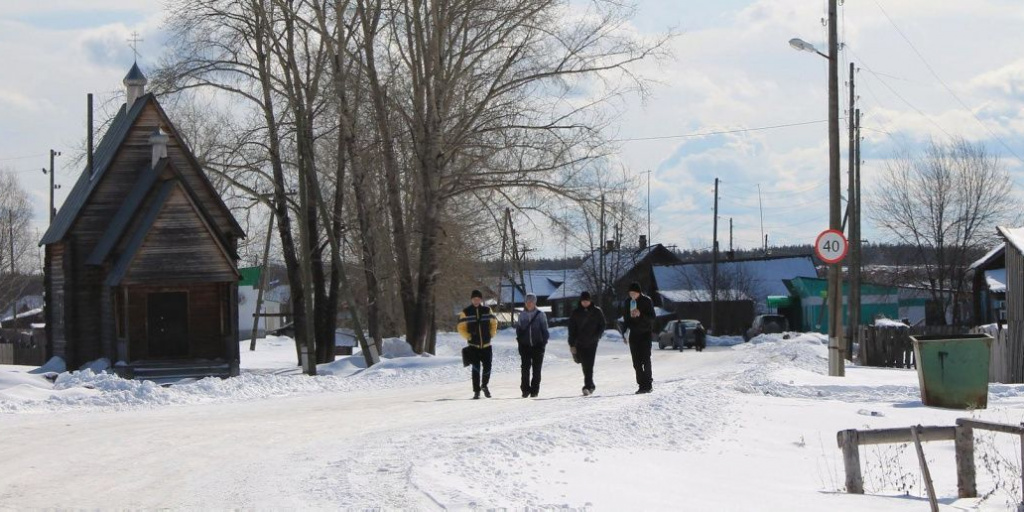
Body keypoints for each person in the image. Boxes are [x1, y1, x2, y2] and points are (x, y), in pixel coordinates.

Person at [457, 289, 498, 399]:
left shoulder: (487, 310)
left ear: (480, 299)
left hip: (486, 345)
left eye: (478, 299)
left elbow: (494, 323)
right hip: (473, 346)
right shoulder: (466, 312)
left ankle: (484, 385)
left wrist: (491, 334)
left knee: (488, 367)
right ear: (471, 299)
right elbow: (461, 328)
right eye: (474, 299)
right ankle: (476, 391)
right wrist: (468, 336)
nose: (476, 300)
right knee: (476, 369)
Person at [567, 291, 605, 396]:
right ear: (581, 301)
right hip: (580, 342)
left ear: (590, 300)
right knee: (583, 363)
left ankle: (588, 386)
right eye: (583, 301)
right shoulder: (576, 313)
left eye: (587, 301)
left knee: (589, 363)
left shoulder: (597, 311)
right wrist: (572, 344)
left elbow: (602, 325)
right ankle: (590, 384)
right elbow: (571, 329)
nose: (585, 303)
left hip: (592, 342)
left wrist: (597, 336)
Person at [622, 281, 656, 394]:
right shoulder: (628, 302)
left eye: (634, 293)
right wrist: (624, 333)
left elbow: (652, 317)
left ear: (639, 292)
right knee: (636, 362)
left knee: (645, 360)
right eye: (630, 293)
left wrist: (640, 314)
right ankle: (641, 385)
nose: (632, 296)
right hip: (634, 335)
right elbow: (626, 319)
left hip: (645, 334)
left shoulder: (647, 301)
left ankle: (648, 384)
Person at [515, 293, 549, 398]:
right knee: (525, 369)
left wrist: (543, 343)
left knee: (536, 369)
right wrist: (520, 343)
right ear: (525, 303)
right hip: (525, 346)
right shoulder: (522, 315)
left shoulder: (540, 315)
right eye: (527, 302)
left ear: (535, 303)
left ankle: (534, 390)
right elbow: (518, 330)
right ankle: (525, 390)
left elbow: (545, 331)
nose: (529, 304)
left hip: (538, 346)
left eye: (531, 302)